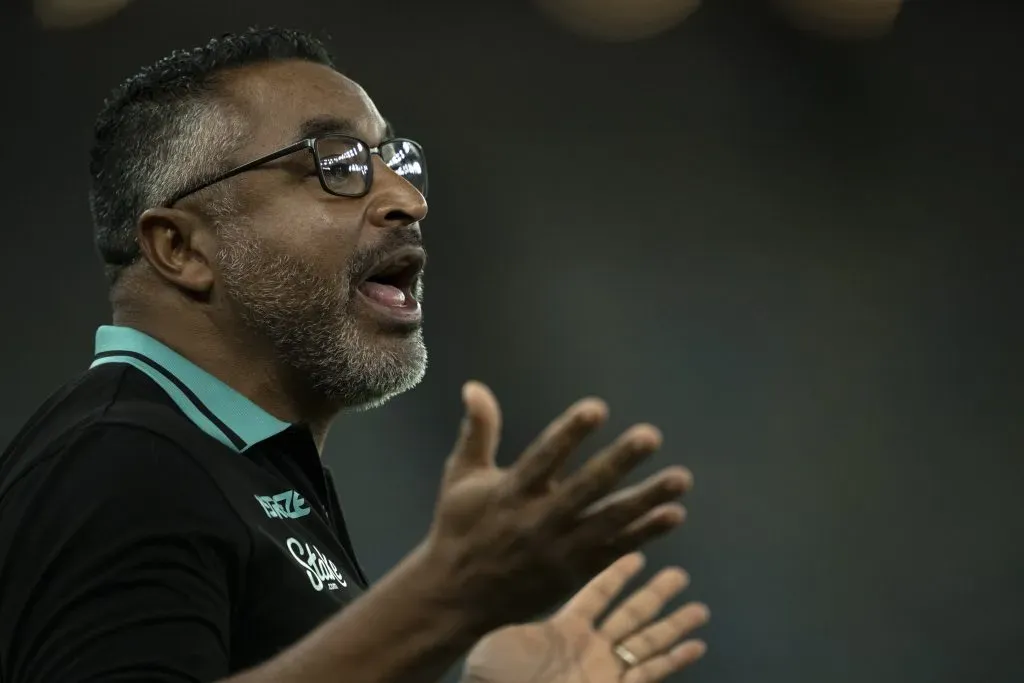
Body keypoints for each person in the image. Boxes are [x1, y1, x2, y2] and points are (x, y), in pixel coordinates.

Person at [0, 27, 708, 683]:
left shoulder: (243, 468)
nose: (407, 199)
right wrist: (445, 604)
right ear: (181, 247)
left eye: (394, 161)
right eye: (335, 163)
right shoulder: (118, 464)